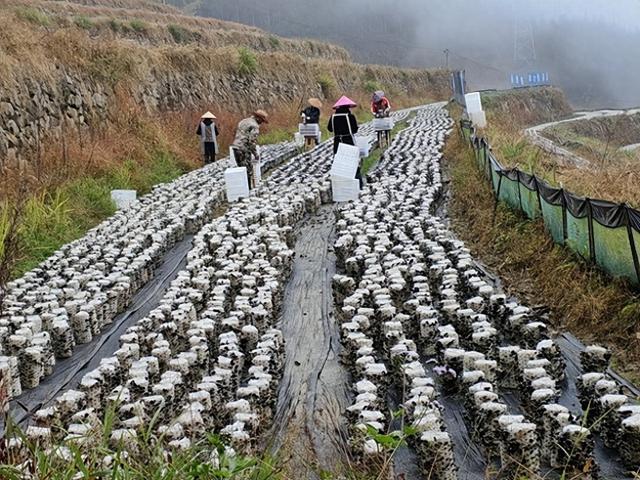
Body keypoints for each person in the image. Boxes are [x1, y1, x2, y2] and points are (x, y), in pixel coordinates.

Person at [327, 95, 362, 188]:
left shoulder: (333, 117)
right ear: (348, 107)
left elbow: (330, 128)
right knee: (353, 163)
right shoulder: (350, 116)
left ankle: (342, 185)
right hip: (348, 141)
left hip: (337, 142)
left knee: (340, 164)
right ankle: (358, 184)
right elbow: (354, 130)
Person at [231, 109, 269, 189]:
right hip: (244, 149)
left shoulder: (243, 121)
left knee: (241, 170)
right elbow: (251, 142)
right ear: (258, 118)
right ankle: (248, 190)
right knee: (248, 171)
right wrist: (255, 154)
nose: (261, 123)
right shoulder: (254, 126)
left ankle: (242, 190)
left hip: (235, 147)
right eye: (261, 121)